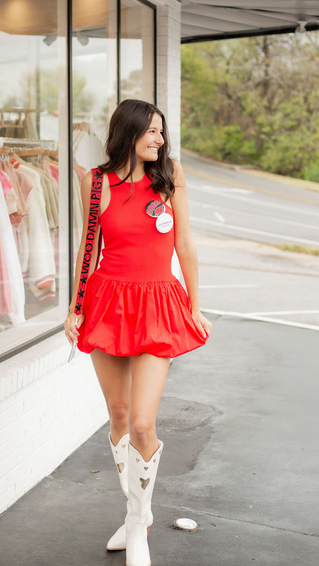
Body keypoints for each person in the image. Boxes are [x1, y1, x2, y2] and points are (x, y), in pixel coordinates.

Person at [64, 99, 212, 566]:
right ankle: (135, 514)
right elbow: (88, 251)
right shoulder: (95, 182)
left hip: (157, 303)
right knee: (121, 417)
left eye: (161, 133)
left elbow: (184, 242)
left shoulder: (171, 177)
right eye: (151, 132)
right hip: (107, 301)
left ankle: (139, 524)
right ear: (128, 132)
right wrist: (75, 308)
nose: (160, 140)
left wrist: (194, 303)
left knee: (144, 423)